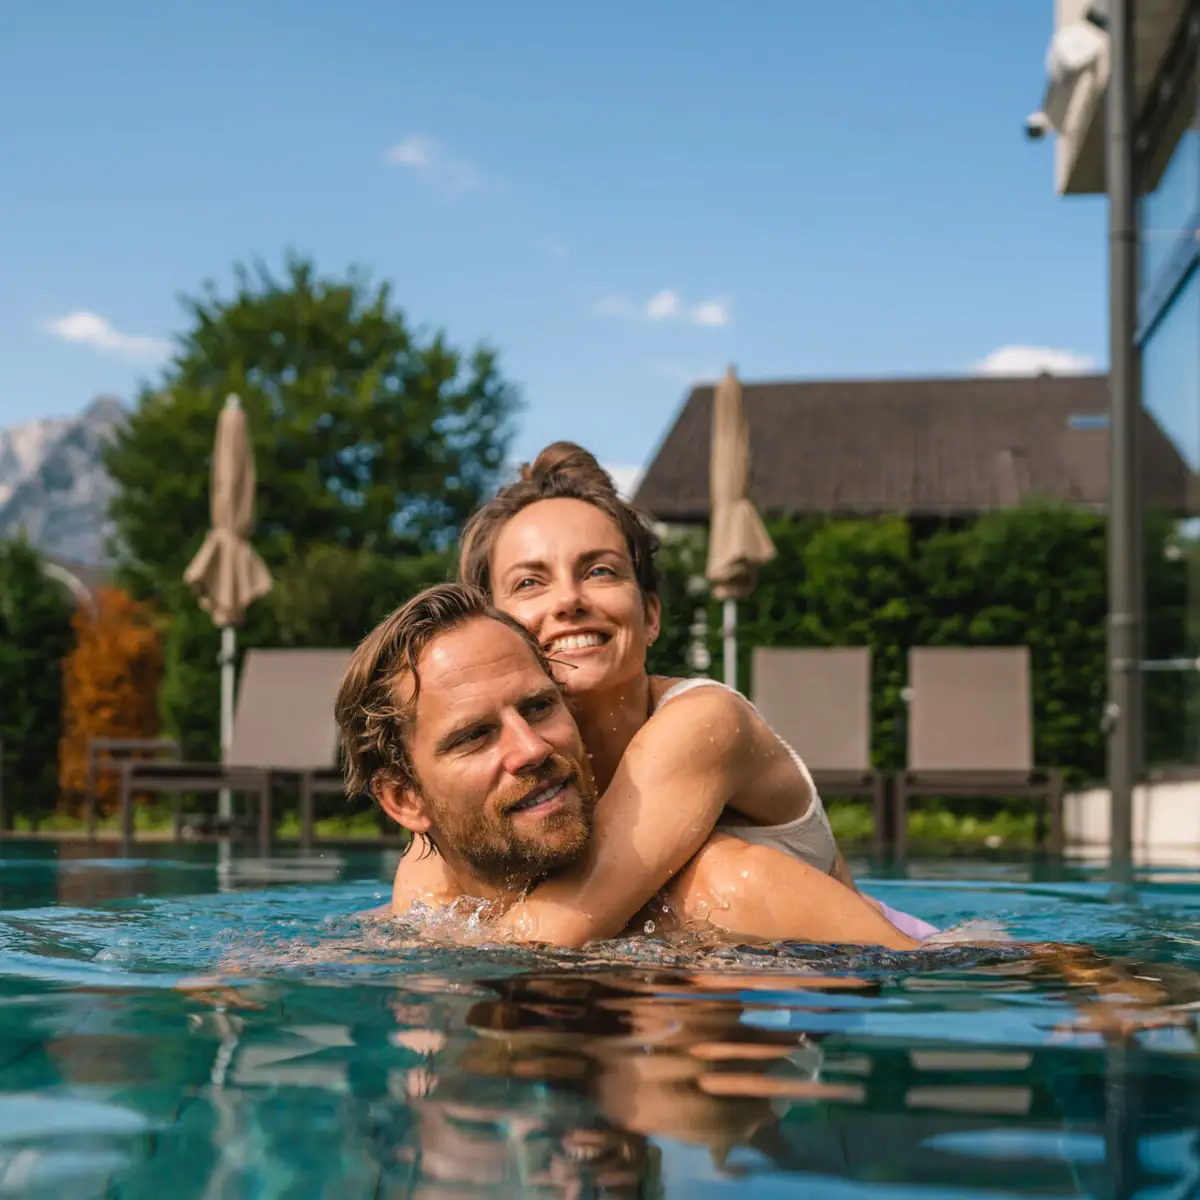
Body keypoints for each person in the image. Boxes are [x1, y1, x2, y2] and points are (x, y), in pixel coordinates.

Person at [385, 442, 936, 944]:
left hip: (859, 963)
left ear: (650, 615)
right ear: (491, 626)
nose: (570, 600)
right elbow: (422, 912)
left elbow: (548, 933)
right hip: (703, 994)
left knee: (707, 883)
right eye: (530, 582)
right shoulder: (507, 771)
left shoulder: (702, 723)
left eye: (600, 571)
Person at [334, 582, 923, 950]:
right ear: (405, 801)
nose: (532, 748)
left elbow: (948, 980)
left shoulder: (725, 896)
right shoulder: (429, 900)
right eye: (475, 736)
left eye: (540, 707)